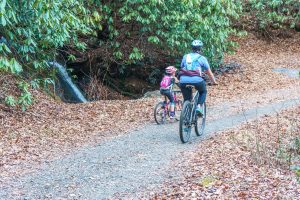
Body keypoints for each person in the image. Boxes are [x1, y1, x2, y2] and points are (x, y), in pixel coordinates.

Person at [179, 40, 217, 116]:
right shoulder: (202, 58)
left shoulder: (185, 56)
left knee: (187, 99)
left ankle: (186, 115)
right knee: (203, 91)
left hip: (183, 80)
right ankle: (199, 107)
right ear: (200, 49)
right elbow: (209, 73)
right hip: (197, 80)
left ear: (192, 48)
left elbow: (182, 67)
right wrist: (214, 82)